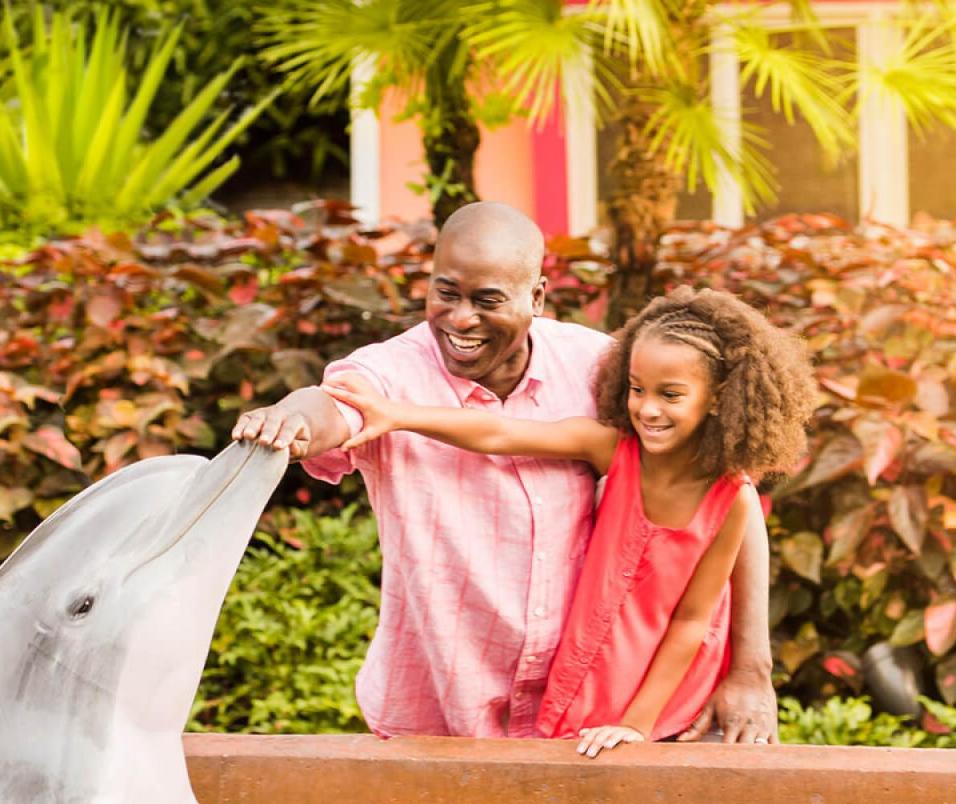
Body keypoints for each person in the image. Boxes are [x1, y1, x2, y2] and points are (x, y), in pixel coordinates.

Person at [232, 201, 779, 743]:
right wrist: (288, 421)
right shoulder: (391, 373)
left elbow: (724, 493)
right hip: (443, 720)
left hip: (589, 713)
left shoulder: (603, 368)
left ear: (537, 296)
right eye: (446, 293)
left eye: (488, 300)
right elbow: (334, 404)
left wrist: (750, 669)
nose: (462, 318)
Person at [324, 286, 814, 756]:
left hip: (668, 688)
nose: (647, 408)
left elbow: (691, 622)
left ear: (717, 398)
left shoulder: (731, 501)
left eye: (671, 395)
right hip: (596, 664)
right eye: (637, 389)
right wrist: (396, 414)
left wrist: (635, 727)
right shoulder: (611, 449)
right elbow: (499, 432)